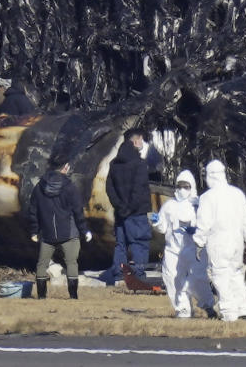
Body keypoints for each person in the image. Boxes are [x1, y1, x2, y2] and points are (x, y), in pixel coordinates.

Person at [194, 159, 246, 322]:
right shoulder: (237, 193)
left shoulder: (208, 197)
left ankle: (229, 312)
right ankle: (244, 309)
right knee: (236, 274)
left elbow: (203, 222)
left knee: (221, 276)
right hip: (237, 241)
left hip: (218, 242)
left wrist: (199, 242)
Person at [151, 169, 216, 318]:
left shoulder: (198, 204)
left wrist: (198, 231)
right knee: (173, 278)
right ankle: (183, 309)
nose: (182, 189)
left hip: (194, 250)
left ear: (192, 186)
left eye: (186, 186)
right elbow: (163, 228)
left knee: (198, 280)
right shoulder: (169, 205)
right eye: (179, 186)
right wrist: (157, 222)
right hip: (173, 250)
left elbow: (207, 224)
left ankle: (208, 306)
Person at [28, 160, 92, 300]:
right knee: (71, 263)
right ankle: (73, 296)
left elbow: (33, 211)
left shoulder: (39, 187)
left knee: (42, 264)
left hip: (47, 233)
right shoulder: (70, 187)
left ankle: (41, 296)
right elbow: (77, 212)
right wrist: (84, 230)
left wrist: (34, 231)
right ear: (65, 167)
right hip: (69, 233)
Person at [102, 130, 152, 284]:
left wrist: (120, 206)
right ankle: (138, 276)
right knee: (140, 243)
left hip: (120, 213)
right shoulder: (140, 164)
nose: (142, 143)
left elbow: (109, 188)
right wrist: (130, 208)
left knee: (121, 245)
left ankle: (119, 275)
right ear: (136, 141)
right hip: (136, 212)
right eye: (141, 139)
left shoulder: (114, 163)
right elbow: (139, 189)